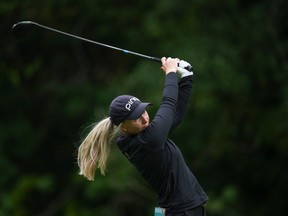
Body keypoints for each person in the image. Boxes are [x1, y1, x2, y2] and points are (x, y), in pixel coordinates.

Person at [77, 57, 208, 216]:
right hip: (180, 211)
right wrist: (171, 73)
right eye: (136, 118)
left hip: (172, 210)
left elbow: (176, 115)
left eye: (143, 111)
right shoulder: (149, 140)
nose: (145, 118)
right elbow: (168, 103)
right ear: (123, 126)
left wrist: (187, 78)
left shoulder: (141, 137)